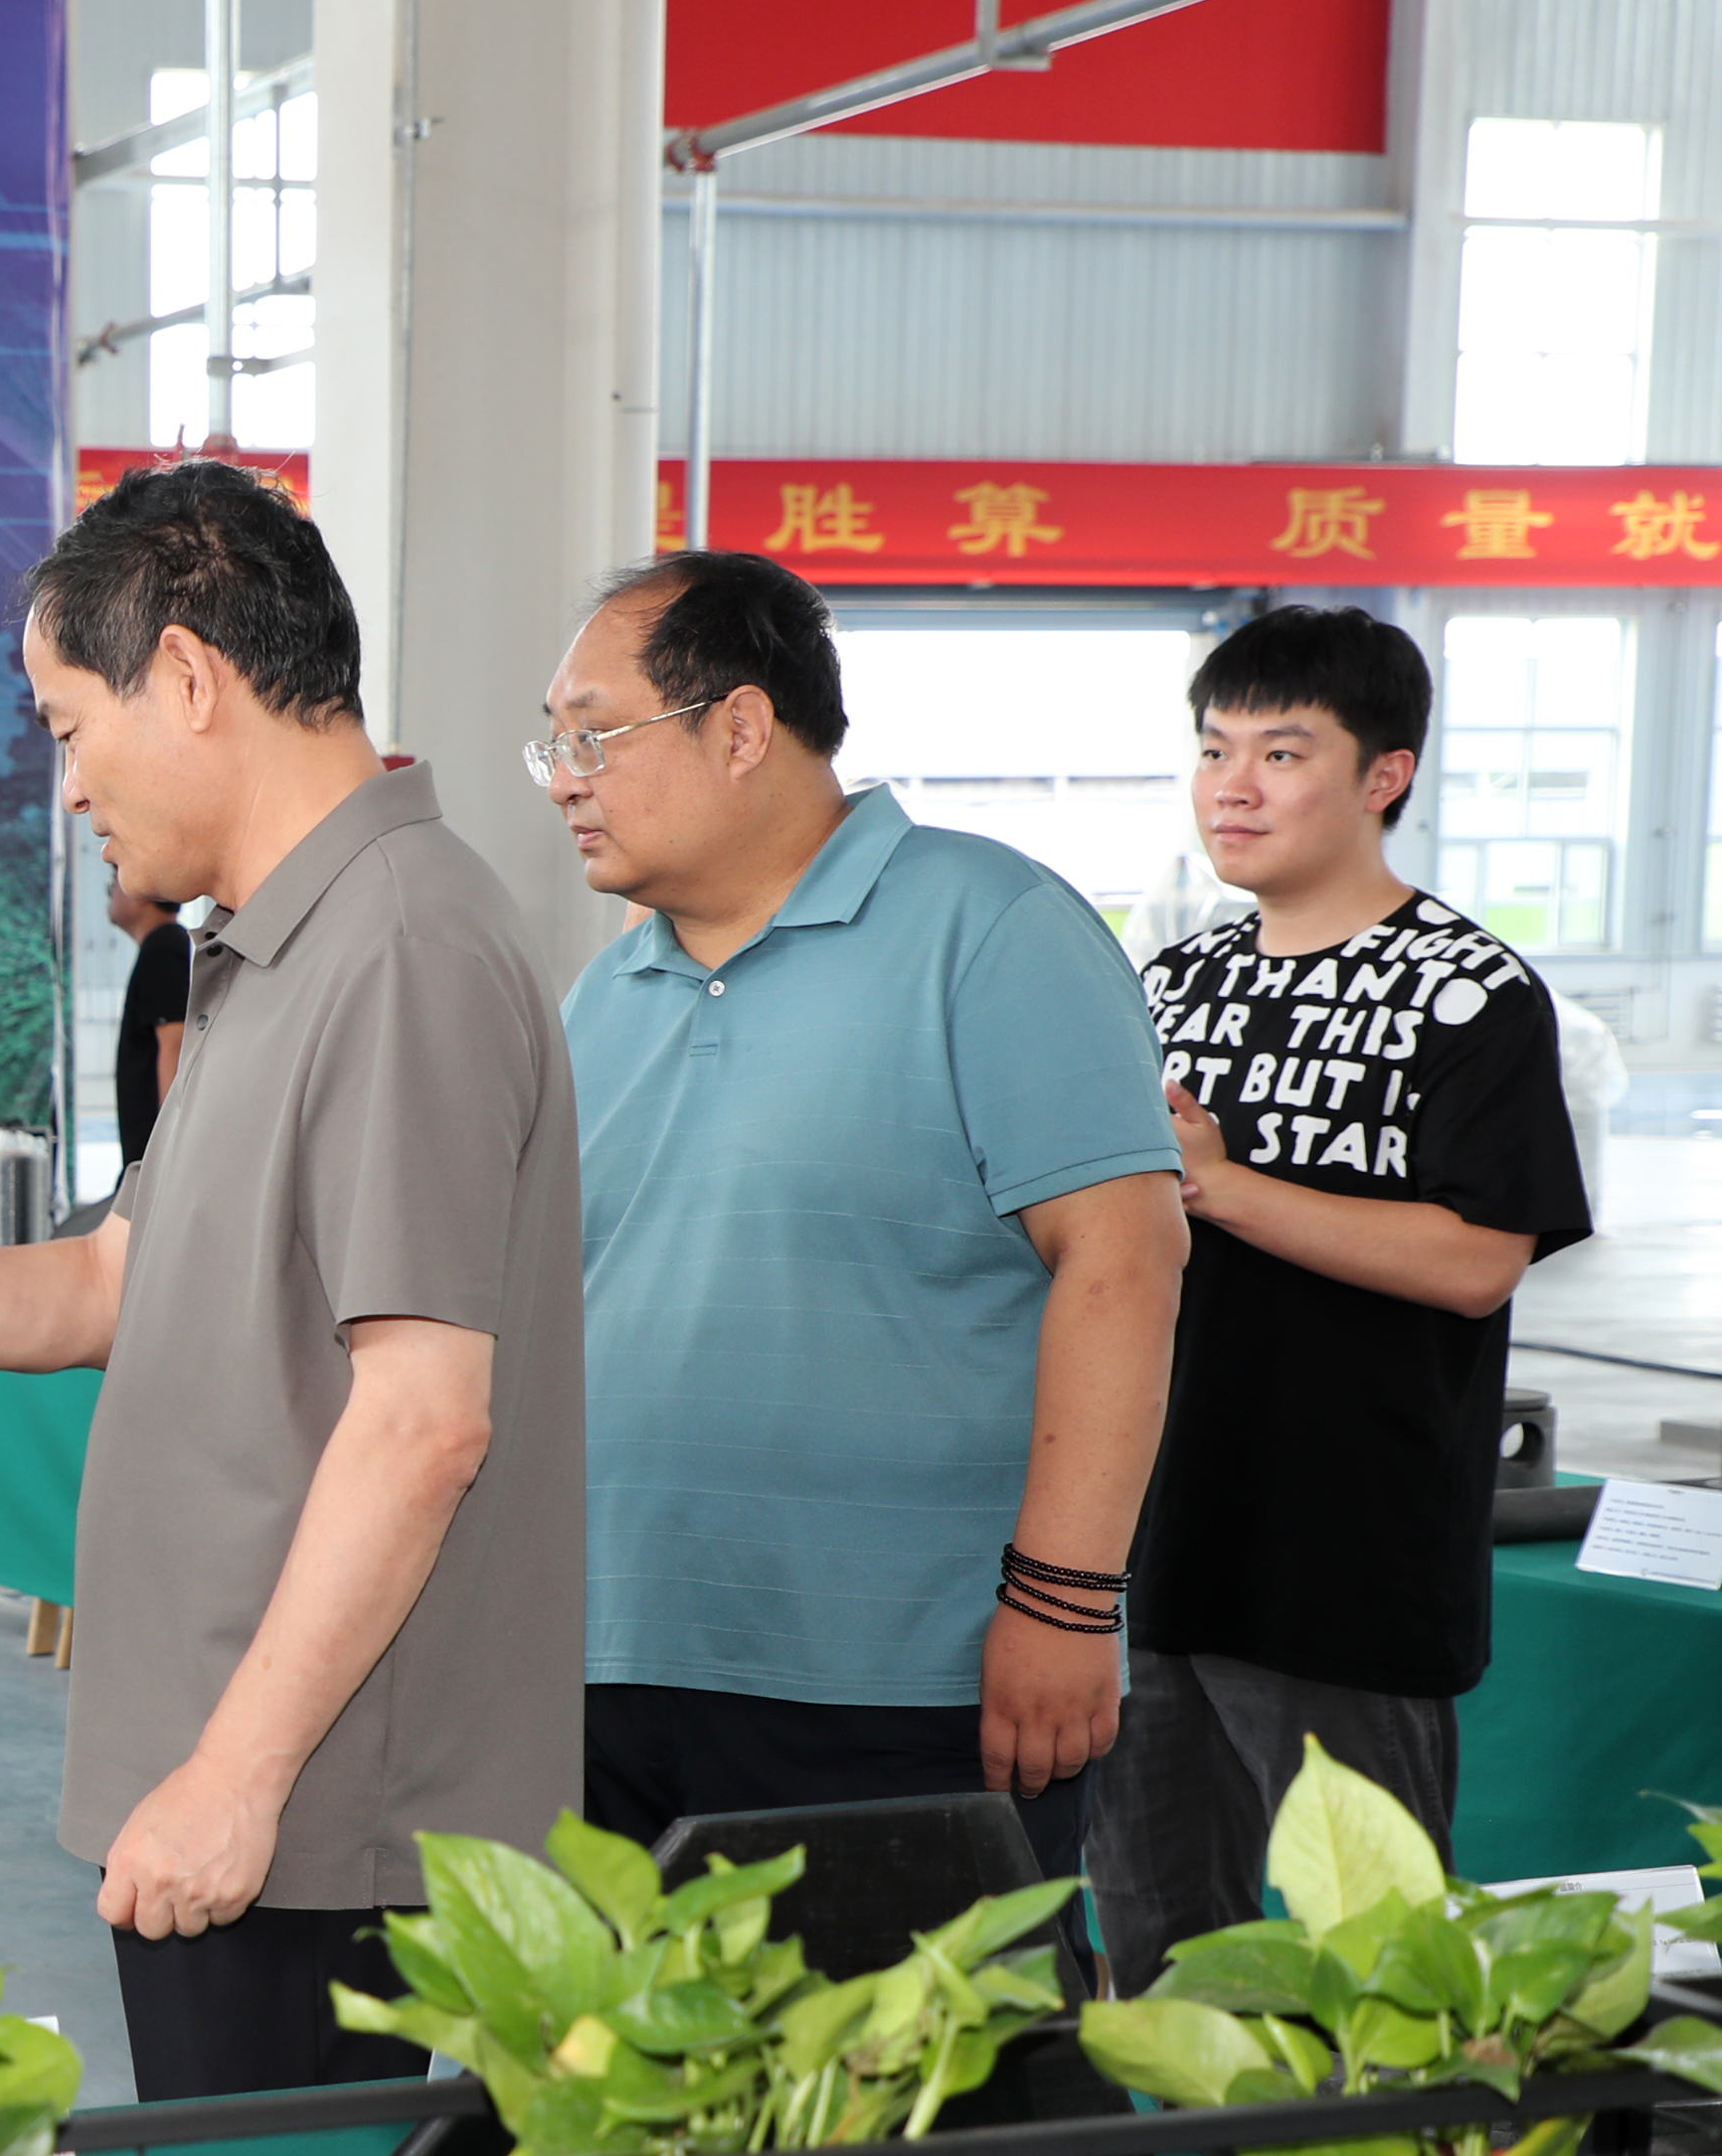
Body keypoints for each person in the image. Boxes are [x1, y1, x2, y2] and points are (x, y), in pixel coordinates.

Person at [0, 460, 583, 2101]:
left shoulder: (399, 949)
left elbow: (425, 1420)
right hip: (236, 1780)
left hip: (315, 1816)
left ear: (187, 677)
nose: (67, 789)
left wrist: (236, 1773)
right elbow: (97, 1289)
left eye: (69, 727)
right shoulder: (275, 943)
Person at [548, 551, 1188, 1887]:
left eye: (594, 735)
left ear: (740, 727)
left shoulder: (991, 927)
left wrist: (1065, 1598)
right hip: (607, 1669)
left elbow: (1124, 1258)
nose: (564, 780)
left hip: (899, 1685)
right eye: (551, 745)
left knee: (916, 2029)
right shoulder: (604, 996)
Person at [1092, 606, 1590, 1992]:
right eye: (1213, 750)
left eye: (1281, 752)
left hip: (1346, 1558)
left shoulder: (1470, 995)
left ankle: (1389, 2150)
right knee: (1160, 1948)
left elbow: (1476, 1259)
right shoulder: (1172, 981)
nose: (1232, 787)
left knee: (1380, 1960)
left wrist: (1220, 1185)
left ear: (1385, 775)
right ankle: (1184, 2142)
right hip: (1151, 1538)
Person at [106, 881, 189, 1170]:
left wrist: (169, 1146)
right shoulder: (162, 945)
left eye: (112, 885)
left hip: (153, 1156)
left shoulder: (164, 946)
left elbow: (174, 1043)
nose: (110, 894)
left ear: (139, 892)